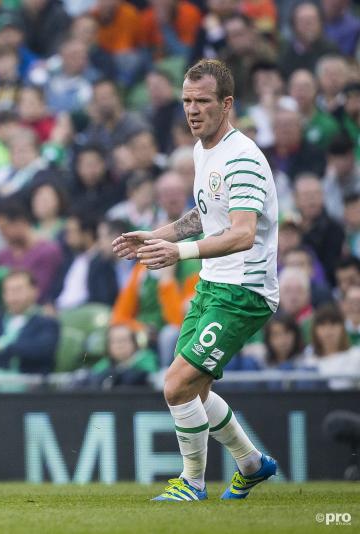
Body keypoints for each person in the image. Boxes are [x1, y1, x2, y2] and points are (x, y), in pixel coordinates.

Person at [113, 59, 279, 501]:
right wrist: (158, 234)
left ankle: (192, 482)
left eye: (202, 101)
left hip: (244, 291)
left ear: (227, 104)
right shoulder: (204, 150)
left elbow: (242, 232)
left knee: (176, 384)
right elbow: (204, 216)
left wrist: (177, 252)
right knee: (194, 391)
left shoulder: (243, 157)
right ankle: (252, 463)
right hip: (212, 283)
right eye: (186, 100)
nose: (192, 110)